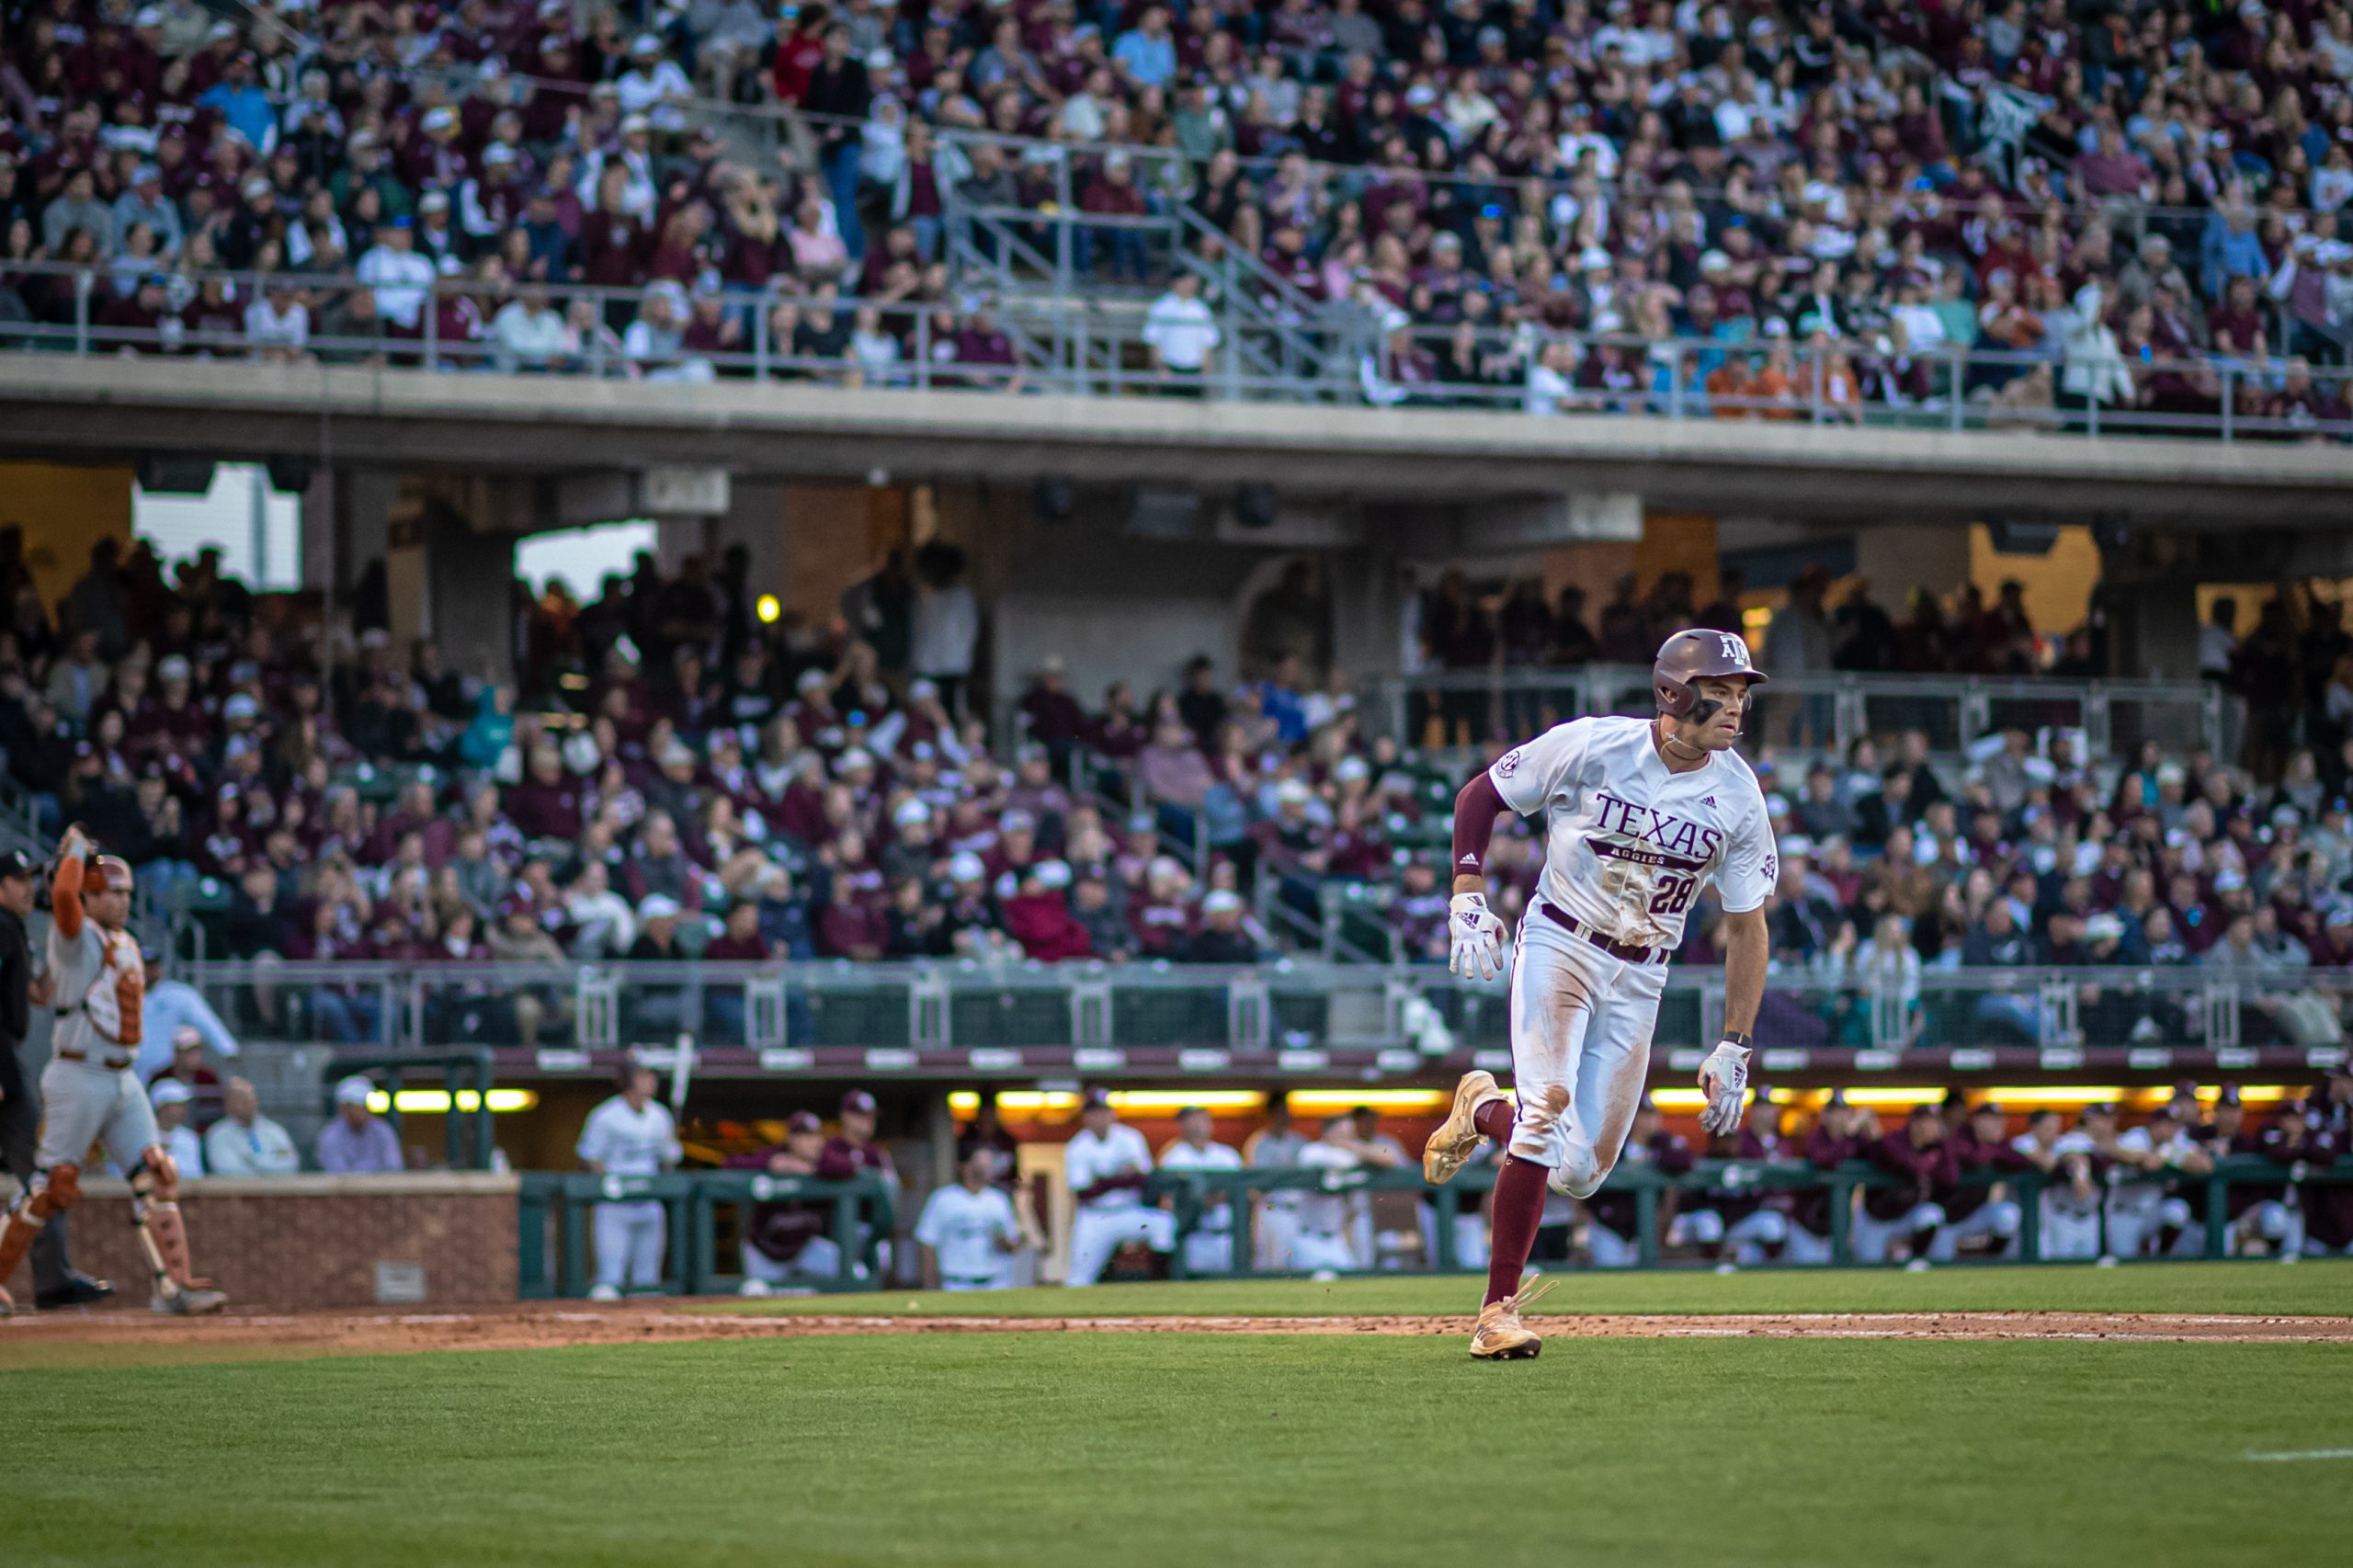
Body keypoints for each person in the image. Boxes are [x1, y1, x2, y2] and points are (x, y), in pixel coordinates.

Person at [1420, 629, 1775, 1359]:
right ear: (1676, 693)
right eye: (1724, 690)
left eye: (1742, 692)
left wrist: (1736, 1040)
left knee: (1582, 1173)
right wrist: (1466, 893)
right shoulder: (1592, 745)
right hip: (1561, 942)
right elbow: (1480, 797)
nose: (1738, 706)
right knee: (1545, 1113)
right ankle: (1496, 1311)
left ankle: (1482, 1107)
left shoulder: (1738, 793)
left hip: (1644, 971)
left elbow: (1747, 926)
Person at [0, 831, 224, 1312]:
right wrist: (77, 851)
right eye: (111, 893)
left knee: (157, 1175)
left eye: (125, 894)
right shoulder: (75, 938)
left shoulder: (126, 942)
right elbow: (62, 896)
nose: (122, 902)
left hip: (123, 1078)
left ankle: (175, 1288)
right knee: (51, 1187)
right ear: (91, 896)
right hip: (77, 1075)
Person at [0, 846, 109, 1309]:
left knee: (43, 1174)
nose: (29, 888)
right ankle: (52, 1279)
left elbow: (39, 994)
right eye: (20, 881)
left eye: (32, 880)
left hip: (9, 1056)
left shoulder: (14, 929)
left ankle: (53, 1278)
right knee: (44, 1172)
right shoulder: (2, 927)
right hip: (3, 1060)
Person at [575, 1062, 681, 1301]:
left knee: (648, 1280)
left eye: (652, 1076)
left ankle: (648, 1331)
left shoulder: (660, 1116)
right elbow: (591, 1157)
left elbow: (668, 1158)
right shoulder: (606, 1116)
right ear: (629, 1081)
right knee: (610, 1279)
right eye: (644, 1076)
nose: (650, 1081)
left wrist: (671, 1158)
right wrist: (610, 1184)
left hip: (649, 1204)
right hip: (615, 1206)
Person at [1062, 1087, 1175, 1285]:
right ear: (1085, 1117)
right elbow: (1084, 1193)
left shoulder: (1129, 1138)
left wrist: (1103, 1181)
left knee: (1164, 1223)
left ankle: (1160, 1284)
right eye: (1094, 1112)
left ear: (1112, 1113)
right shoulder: (1077, 1146)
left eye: (1104, 1111)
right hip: (1094, 1217)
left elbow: (1142, 1179)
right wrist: (1120, 1177)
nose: (1100, 1117)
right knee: (1078, 1280)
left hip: (1128, 1211)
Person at [729, 1109, 848, 1291]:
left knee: (848, 1268)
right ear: (792, 1139)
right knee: (754, 1292)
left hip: (803, 1249)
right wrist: (769, 1164)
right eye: (807, 1136)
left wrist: (810, 1169)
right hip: (765, 1252)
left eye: (817, 1136)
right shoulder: (774, 1155)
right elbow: (730, 1164)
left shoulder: (823, 1159)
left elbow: (848, 1167)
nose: (815, 1142)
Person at [913, 1146, 1024, 1290]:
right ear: (965, 1166)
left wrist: (1006, 1242)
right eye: (982, 1164)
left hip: (995, 1283)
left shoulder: (999, 1200)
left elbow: (1012, 1243)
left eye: (989, 1164)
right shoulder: (943, 1199)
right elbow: (927, 1242)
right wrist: (930, 1284)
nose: (987, 1168)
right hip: (956, 1283)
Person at [1156, 1105, 1244, 1274]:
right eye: (1189, 1120)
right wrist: (1202, 1200)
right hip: (1192, 1239)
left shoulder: (1227, 1155)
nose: (1196, 1125)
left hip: (1225, 1236)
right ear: (1181, 1126)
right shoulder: (1173, 1157)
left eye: (1201, 1118)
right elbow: (1166, 1202)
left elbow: (1246, 1195)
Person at [135, 948, 239, 1085]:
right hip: (133, 1071)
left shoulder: (178, 995)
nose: (149, 970)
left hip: (168, 1074)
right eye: (145, 965)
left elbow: (205, 1021)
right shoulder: (123, 995)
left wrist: (227, 1048)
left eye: (153, 965)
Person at [203, 1075, 301, 1176]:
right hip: (237, 1191)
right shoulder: (218, 1134)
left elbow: (291, 1164)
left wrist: (253, 1161)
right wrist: (269, 1165)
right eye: (242, 1099)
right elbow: (228, 1171)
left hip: (277, 1190)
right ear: (228, 1104)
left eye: (251, 1098)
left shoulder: (274, 1130)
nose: (249, 1103)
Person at [314, 1075, 404, 1174]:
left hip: (380, 1188)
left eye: (365, 1105)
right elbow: (335, 1173)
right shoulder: (330, 1136)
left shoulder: (383, 1131)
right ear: (344, 1108)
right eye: (358, 1105)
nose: (364, 1110)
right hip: (343, 1188)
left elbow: (394, 1168)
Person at [150, 1078, 204, 1178]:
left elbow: (196, 1175)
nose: (183, 1109)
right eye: (177, 1104)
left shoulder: (190, 1138)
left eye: (183, 1105)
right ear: (162, 1107)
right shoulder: (144, 1136)